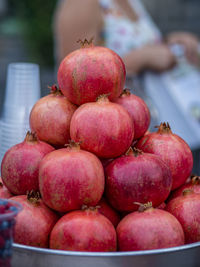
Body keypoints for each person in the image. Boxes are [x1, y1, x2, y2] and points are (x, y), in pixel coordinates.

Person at [53, 0, 199, 73]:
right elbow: (74, 77)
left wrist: (172, 43)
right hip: (109, 126)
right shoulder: (81, 3)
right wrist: (140, 59)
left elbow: (140, 45)